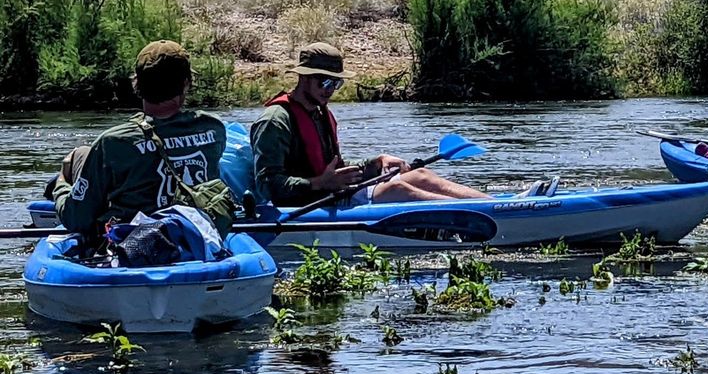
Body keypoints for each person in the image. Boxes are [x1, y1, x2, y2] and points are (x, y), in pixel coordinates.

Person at [251, 42, 488, 207]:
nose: (330, 90)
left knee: (421, 174)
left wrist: (376, 163)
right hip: (309, 204)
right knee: (397, 190)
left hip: (333, 193)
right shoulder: (275, 120)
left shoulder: (319, 114)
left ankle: (499, 205)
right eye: (325, 82)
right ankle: (480, 214)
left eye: (336, 84)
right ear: (303, 77)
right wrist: (319, 183)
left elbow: (338, 169)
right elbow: (267, 186)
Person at [55, 41, 227, 236]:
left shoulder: (113, 143)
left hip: (135, 244)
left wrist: (61, 183)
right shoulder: (213, 128)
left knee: (80, 155)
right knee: (86, 156)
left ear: (137, 84)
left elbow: (76, 219)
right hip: (197, 235)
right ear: (186, 83)